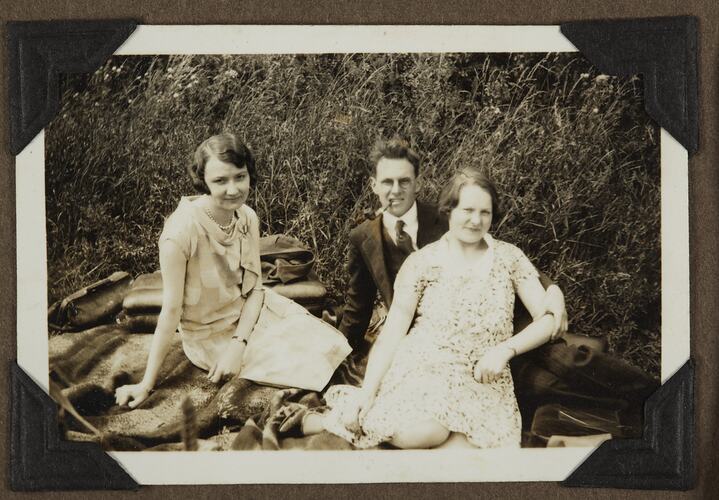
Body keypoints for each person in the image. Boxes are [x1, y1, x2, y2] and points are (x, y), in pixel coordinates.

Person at [316, 168, 555, 448]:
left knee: (466, 460)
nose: (476, 220)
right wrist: (368, 391)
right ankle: (337, 419)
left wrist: (505, 350)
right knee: (424, 432)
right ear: (449, 210)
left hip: (484, 380)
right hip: (427, 369)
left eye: (485, 212)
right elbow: (392, 333)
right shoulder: (423, 262)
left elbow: (549, 319)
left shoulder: (510, 258)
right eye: (467, 210)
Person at [115, 133, 349, 408]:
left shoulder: (247, 217)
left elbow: (255, 290)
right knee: (311, 371)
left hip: (249, 316)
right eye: (220, 181)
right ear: (203, 182)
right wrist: (146, 384)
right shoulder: (179, 234)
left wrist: (240, 343)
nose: (233, 189)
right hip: (209, 335)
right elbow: (171, 312)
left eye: (240, 176)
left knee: (331, 347)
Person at [338, 137, 567, 356]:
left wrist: (552, 289)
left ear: (417, 183)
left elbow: (499, 254)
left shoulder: (450, 216)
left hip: (477, 327)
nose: (396, 190)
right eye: (388, 182)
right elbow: (358, 306)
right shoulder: (363, 237)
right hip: (416, 338)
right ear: (374, 185)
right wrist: (336, 356)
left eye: (404, 181)